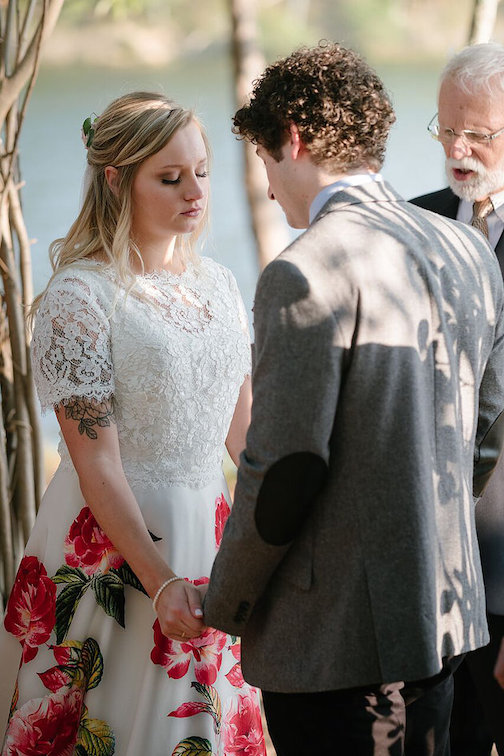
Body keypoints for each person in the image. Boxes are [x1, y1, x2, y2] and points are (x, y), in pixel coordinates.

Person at [202, 42, 504, 755]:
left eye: (267, 162)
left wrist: (226, 600)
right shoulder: (467, 252)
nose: (271, 188)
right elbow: (484, 432)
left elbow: (285, 469)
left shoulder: (302, 271)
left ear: (295, 143)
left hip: (331, 645)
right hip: (443, 623)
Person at [0, 91, 266, 755]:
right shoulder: (80, 297)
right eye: (170, 178)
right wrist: (161, 580)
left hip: (211, 537)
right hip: (117, 548)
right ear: (116, 180)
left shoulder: (221, 285)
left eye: (202, 172)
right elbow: (96, 464)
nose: (194, 192)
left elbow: (246, 439)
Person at [411, 42, 504, 756]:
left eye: (480, 133)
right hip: (421, 568)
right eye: (447, 129)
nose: (459, 149)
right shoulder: (411, 228)